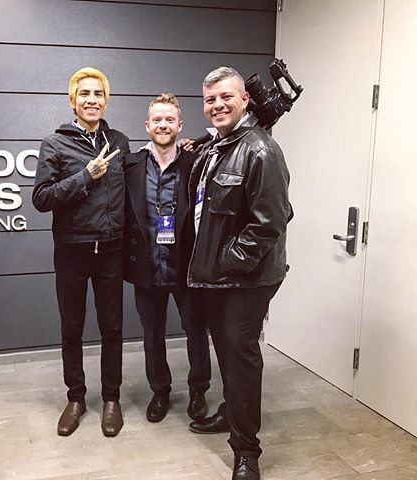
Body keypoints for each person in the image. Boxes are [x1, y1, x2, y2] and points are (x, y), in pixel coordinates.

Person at [181, 67, 292, 480]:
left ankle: (247, 451)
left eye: (226, 97)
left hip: (244, 278)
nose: (217, 106)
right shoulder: (218, 146)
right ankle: (231, 413)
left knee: (240, 358)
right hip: (216, 274)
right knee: (228, 353)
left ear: (245, 99)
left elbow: (271, 221)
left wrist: (228, 261)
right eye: (210, 100)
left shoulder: (261, 150)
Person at [32, 67, 130, 437]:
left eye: (98, 94)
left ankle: (111, 399)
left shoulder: (119, 140)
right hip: (72, 252)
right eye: (85, 94)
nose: (92, 100)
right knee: (72, 328)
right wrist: (86, 175)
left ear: (106, 100)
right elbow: (41, 198)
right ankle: (75, 398)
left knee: (113, 329)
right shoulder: (55, 144)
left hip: (110, 251)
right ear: (73, 101)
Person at [123, 93, 211, 423]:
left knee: (197, 332)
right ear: (147, 126)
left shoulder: (196, 163)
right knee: (152, 334)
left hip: (186, 266)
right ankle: (160, 391)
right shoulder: (129, 163)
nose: (163, 125)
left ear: (180, 125)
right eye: (157, 119)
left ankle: (199, 390)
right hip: (147, 267)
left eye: (169, 119)